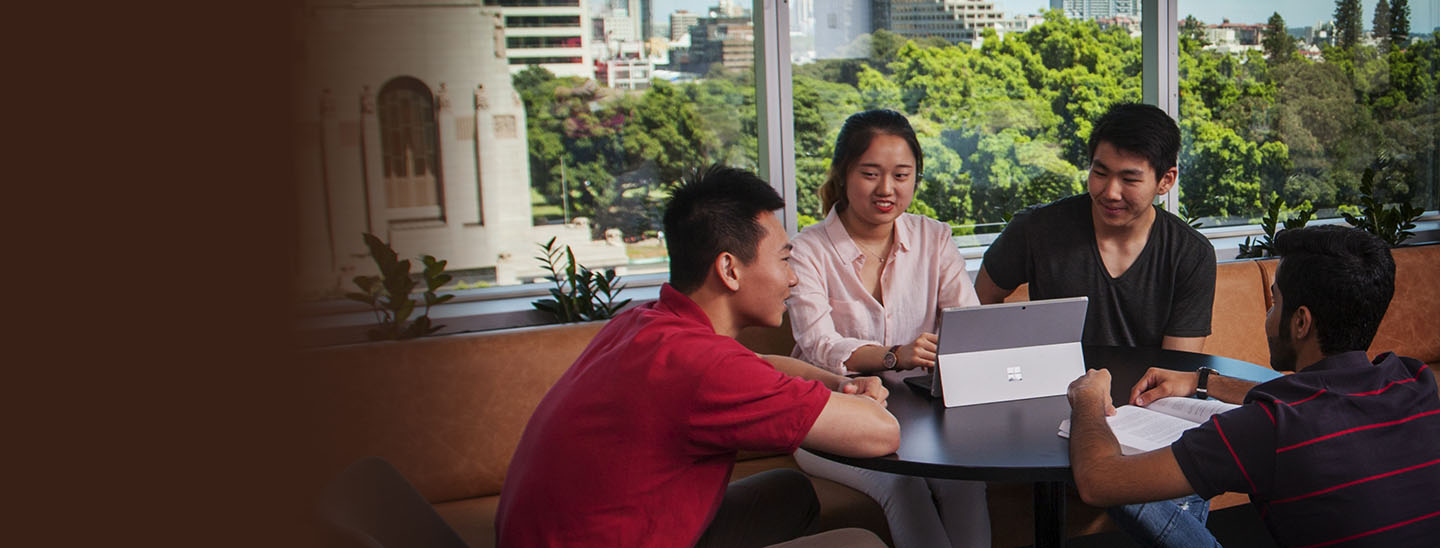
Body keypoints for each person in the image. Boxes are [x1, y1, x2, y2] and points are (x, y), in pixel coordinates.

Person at [495, 165, 900, 548]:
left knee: (787, 493)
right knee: (860, 543)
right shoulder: (706, 368)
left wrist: (838, 384)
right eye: (783, 259)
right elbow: (882, 433)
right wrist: (859, 399)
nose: (793, 277)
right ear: (729, 269)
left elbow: (760, 364)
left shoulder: (645, 323)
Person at [1066, 225, 1440, 546]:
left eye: (1274, 302)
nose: (1268, 313)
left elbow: (1099, 482)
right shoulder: (1417, 382)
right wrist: (1203, 382)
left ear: (1301, 322)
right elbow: (1311, 400)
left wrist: (1088, 398)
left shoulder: (1269, 429)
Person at [975, 102, 1217, 546]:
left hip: (1148, 416)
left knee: (1148, 476)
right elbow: (980, 299)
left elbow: (1176, 369)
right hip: (1058, 415)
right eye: (1099, 172)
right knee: (1158, 486)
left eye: (1130, 178)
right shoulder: (1038, 229)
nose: (1109, 191)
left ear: (1167, 180)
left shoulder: (1190, 253)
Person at [786, 109, 990, 548]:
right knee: (904, 485)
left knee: (966, 481)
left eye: (901, 174)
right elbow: (819, 345)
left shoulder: (934, 238)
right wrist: (894, 354)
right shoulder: (807, 250)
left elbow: (968, 323)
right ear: (842, 175)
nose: (886, 189)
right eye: (870, 174)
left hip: (921, 414)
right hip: (828, 414)